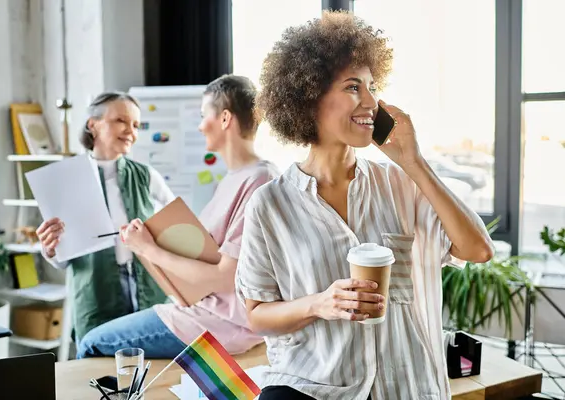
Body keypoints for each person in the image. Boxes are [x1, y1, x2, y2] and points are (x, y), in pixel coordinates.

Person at [235, 11, 494, 400]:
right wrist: (319, 304)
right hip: (313, 387)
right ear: (308, 97)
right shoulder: (269, 204)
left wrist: (414, 163)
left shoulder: (403, 184)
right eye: (353, 86)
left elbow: (478, 250)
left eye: (372, 86)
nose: (371, 101)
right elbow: (257, 315)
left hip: (407, 388)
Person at [76, 75, 279, 359]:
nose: (199, 125)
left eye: (202, 115)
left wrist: (147, 248)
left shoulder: (260, 180)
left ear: (223, 119)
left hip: (216, 323)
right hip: (198, 310)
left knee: (89, 345)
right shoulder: (233, 180)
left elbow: (225, 278)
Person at [36, 92, 175, 342]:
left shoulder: (145, 175)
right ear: (93, 124)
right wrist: (50, 249)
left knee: (150, 364)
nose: (130, 131)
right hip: (95, 293)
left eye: (135, 124)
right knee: (98, 371)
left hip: (148, 288)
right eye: (121, 121)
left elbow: (180, 224)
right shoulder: (66, 180)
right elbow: (62, 261)